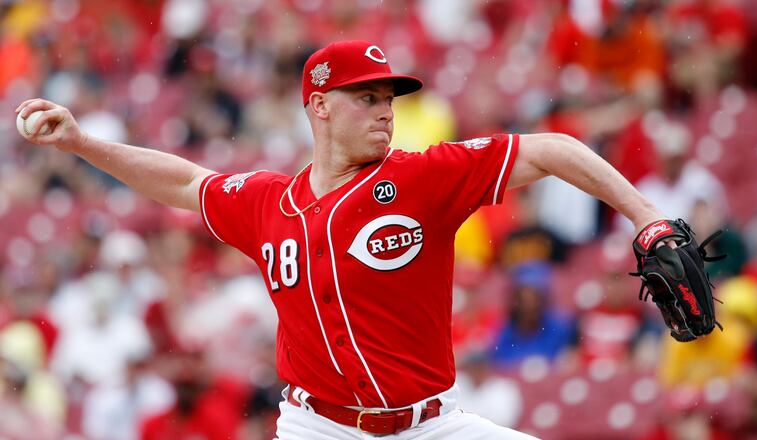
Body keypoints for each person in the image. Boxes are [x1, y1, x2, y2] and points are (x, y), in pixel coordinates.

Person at [16, 40, 668, 439]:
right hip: (316, 427)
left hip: (431, 424)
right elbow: (188, 184)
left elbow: (549, 148)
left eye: (390, 97)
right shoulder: (271, 202)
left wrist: (647, 217)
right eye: (367, 97)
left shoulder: (423, 178)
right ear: (320, 106)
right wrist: (79, 141)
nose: (386, 109)